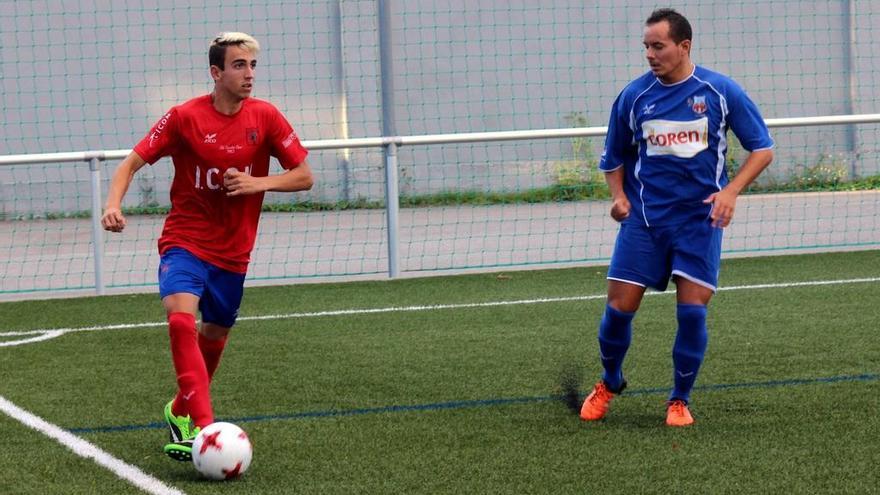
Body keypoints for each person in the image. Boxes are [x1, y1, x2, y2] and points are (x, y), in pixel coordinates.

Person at [101, 32, 314, 459]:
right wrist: (112, 205)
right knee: (180, 318)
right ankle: (204, 429)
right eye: (239, 65)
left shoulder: (267, 117)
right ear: (216, 73)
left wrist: (260, 182)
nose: (249, 74)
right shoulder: (183, 117)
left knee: (213, 336)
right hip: (185, 240)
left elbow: (304, 175)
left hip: (234, 253)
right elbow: (131, 162)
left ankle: (180, 409)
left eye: (252, 65)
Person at [579, 9, 774, 426]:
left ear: (684, 46)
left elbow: (762, 149)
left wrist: (730, 191)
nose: (650, 54)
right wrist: (618, 198)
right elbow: (613, 158)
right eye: (646, 47)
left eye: (658, 46)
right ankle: (610, 381)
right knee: (618, 309)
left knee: (691, 312)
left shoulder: (720, 91)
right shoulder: (632, 96)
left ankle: (679, 400)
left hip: (699, 223)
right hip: (645, 221)